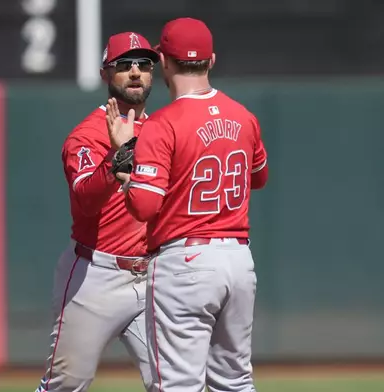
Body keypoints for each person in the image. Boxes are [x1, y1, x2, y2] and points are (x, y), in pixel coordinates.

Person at [106, 18, 269, 392]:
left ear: (163, 61)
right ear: (211, 60)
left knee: (177, 385)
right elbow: (258, 178)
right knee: (235, 381)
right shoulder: (244, 117)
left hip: (186, 264)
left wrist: (125, 165)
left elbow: (144, 206)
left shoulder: (163, 124)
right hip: (238, 261)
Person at [34, 32, 159, 392]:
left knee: (178, 383)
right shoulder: (87, 135)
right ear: (106, 75)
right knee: (65, 386)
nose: (135, 72)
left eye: (143, 64)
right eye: (124, 65)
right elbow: (85, 196)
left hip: (151, 277)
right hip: (95, 277)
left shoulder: (162, 130)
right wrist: (116, 159)